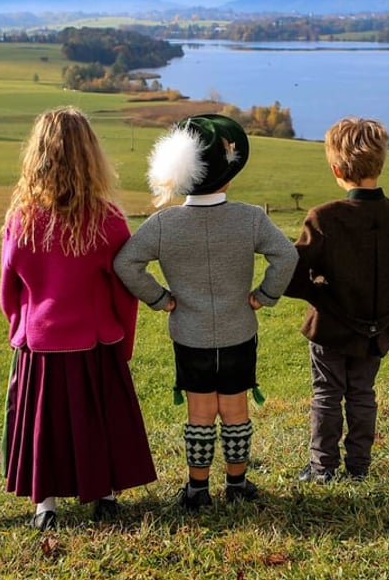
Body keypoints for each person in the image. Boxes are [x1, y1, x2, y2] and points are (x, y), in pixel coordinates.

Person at [114, 114, 297, 509]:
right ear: (226, 175)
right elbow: (286, 255)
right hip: (239, 331)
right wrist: (264, 295)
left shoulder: (164, 224)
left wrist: (160, 299)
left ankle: (197, 490)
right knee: (235, 410)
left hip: (190, 334)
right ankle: (236, 486)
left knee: (199, 413)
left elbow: (126, 264)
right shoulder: (251, 218)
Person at [1, 106, 157, 530]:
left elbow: (8, 291)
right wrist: (123, 342)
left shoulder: (21, 221)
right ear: (92, 156)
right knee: (96, 421)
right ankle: (103, 496)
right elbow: (125, 291)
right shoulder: (108, 221)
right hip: (96, 341)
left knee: (42, 426)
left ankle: (45, 507)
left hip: (39, 343)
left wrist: (22, 328)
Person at [284, 117, 389, 483]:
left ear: (336, 168)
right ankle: (359, 467)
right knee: (363, 393)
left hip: (330, 327)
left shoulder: (325, 218)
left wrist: (319, 292)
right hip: (377, 325)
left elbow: (291, 271)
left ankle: (322, 468)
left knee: (327, 394)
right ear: (381, 163)